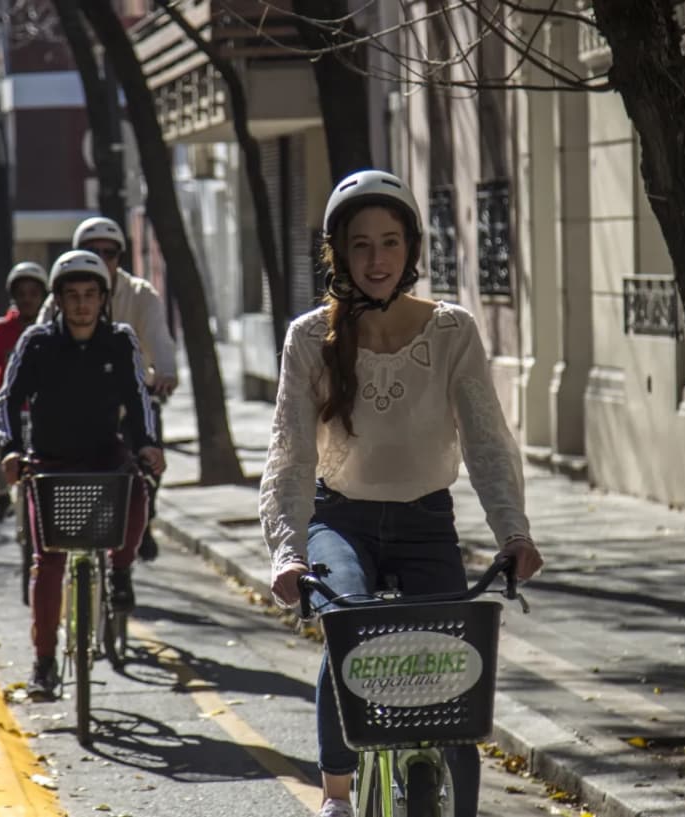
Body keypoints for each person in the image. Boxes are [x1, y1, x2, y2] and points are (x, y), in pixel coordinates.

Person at [260, 170, 544, 817]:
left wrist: (514, 532)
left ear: (411, 249)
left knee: (454, 672)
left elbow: (487, 441)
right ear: (339, 253)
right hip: (339, 521)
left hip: (426, 521)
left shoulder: (452, 331)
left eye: (390, 242)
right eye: (360, 244)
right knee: (349, 629)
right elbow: (291, 454)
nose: (376, 259)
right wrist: (287, 550)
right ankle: (337, 793)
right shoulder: (309, 337)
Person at [0, 250, 165, 698]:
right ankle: (44, 663)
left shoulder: (120, 340)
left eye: (91, 295)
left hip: (105, 458)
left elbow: (139, 400)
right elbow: (8, 400)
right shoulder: (37, 343)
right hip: (49, 464)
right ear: (58, 300)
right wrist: (10, 451)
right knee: (47, 562)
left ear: (104, 298)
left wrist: (148, 444)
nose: (82, 304)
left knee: (138, 491)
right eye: (72, 296)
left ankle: (120, 571)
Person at [41, 216, 178, 561]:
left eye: (110, 252)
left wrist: (166, 373)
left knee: (147, 461)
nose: (102, 258)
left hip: (132, 400)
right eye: (92, 251)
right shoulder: (59, 299)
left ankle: (141, 525)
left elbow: (160, 341)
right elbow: (38, 344)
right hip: (75, 408)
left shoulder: (140, 295)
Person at [0, 261, 49, 523]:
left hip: (45, 411)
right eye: (21, 294)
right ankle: (3, 493)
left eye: (33, 293)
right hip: (8, 409)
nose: (27, 300)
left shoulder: (52, 330)